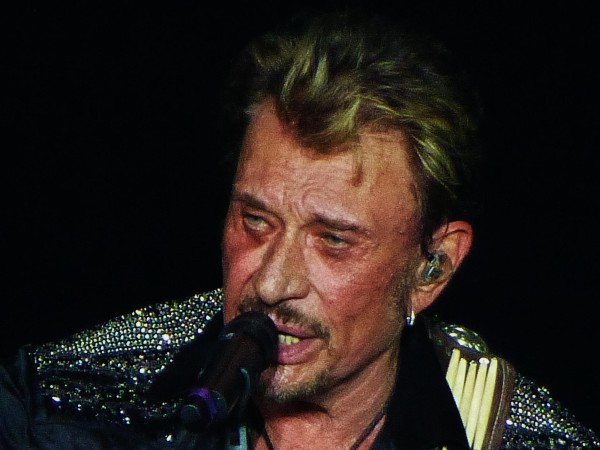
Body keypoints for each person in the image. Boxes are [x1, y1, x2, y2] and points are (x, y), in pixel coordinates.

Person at [1, 9, 598, 450]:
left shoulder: (518, 438)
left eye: (333, 239)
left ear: (432, 267)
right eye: (256, 221)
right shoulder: (59, 402)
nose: (271, 282)